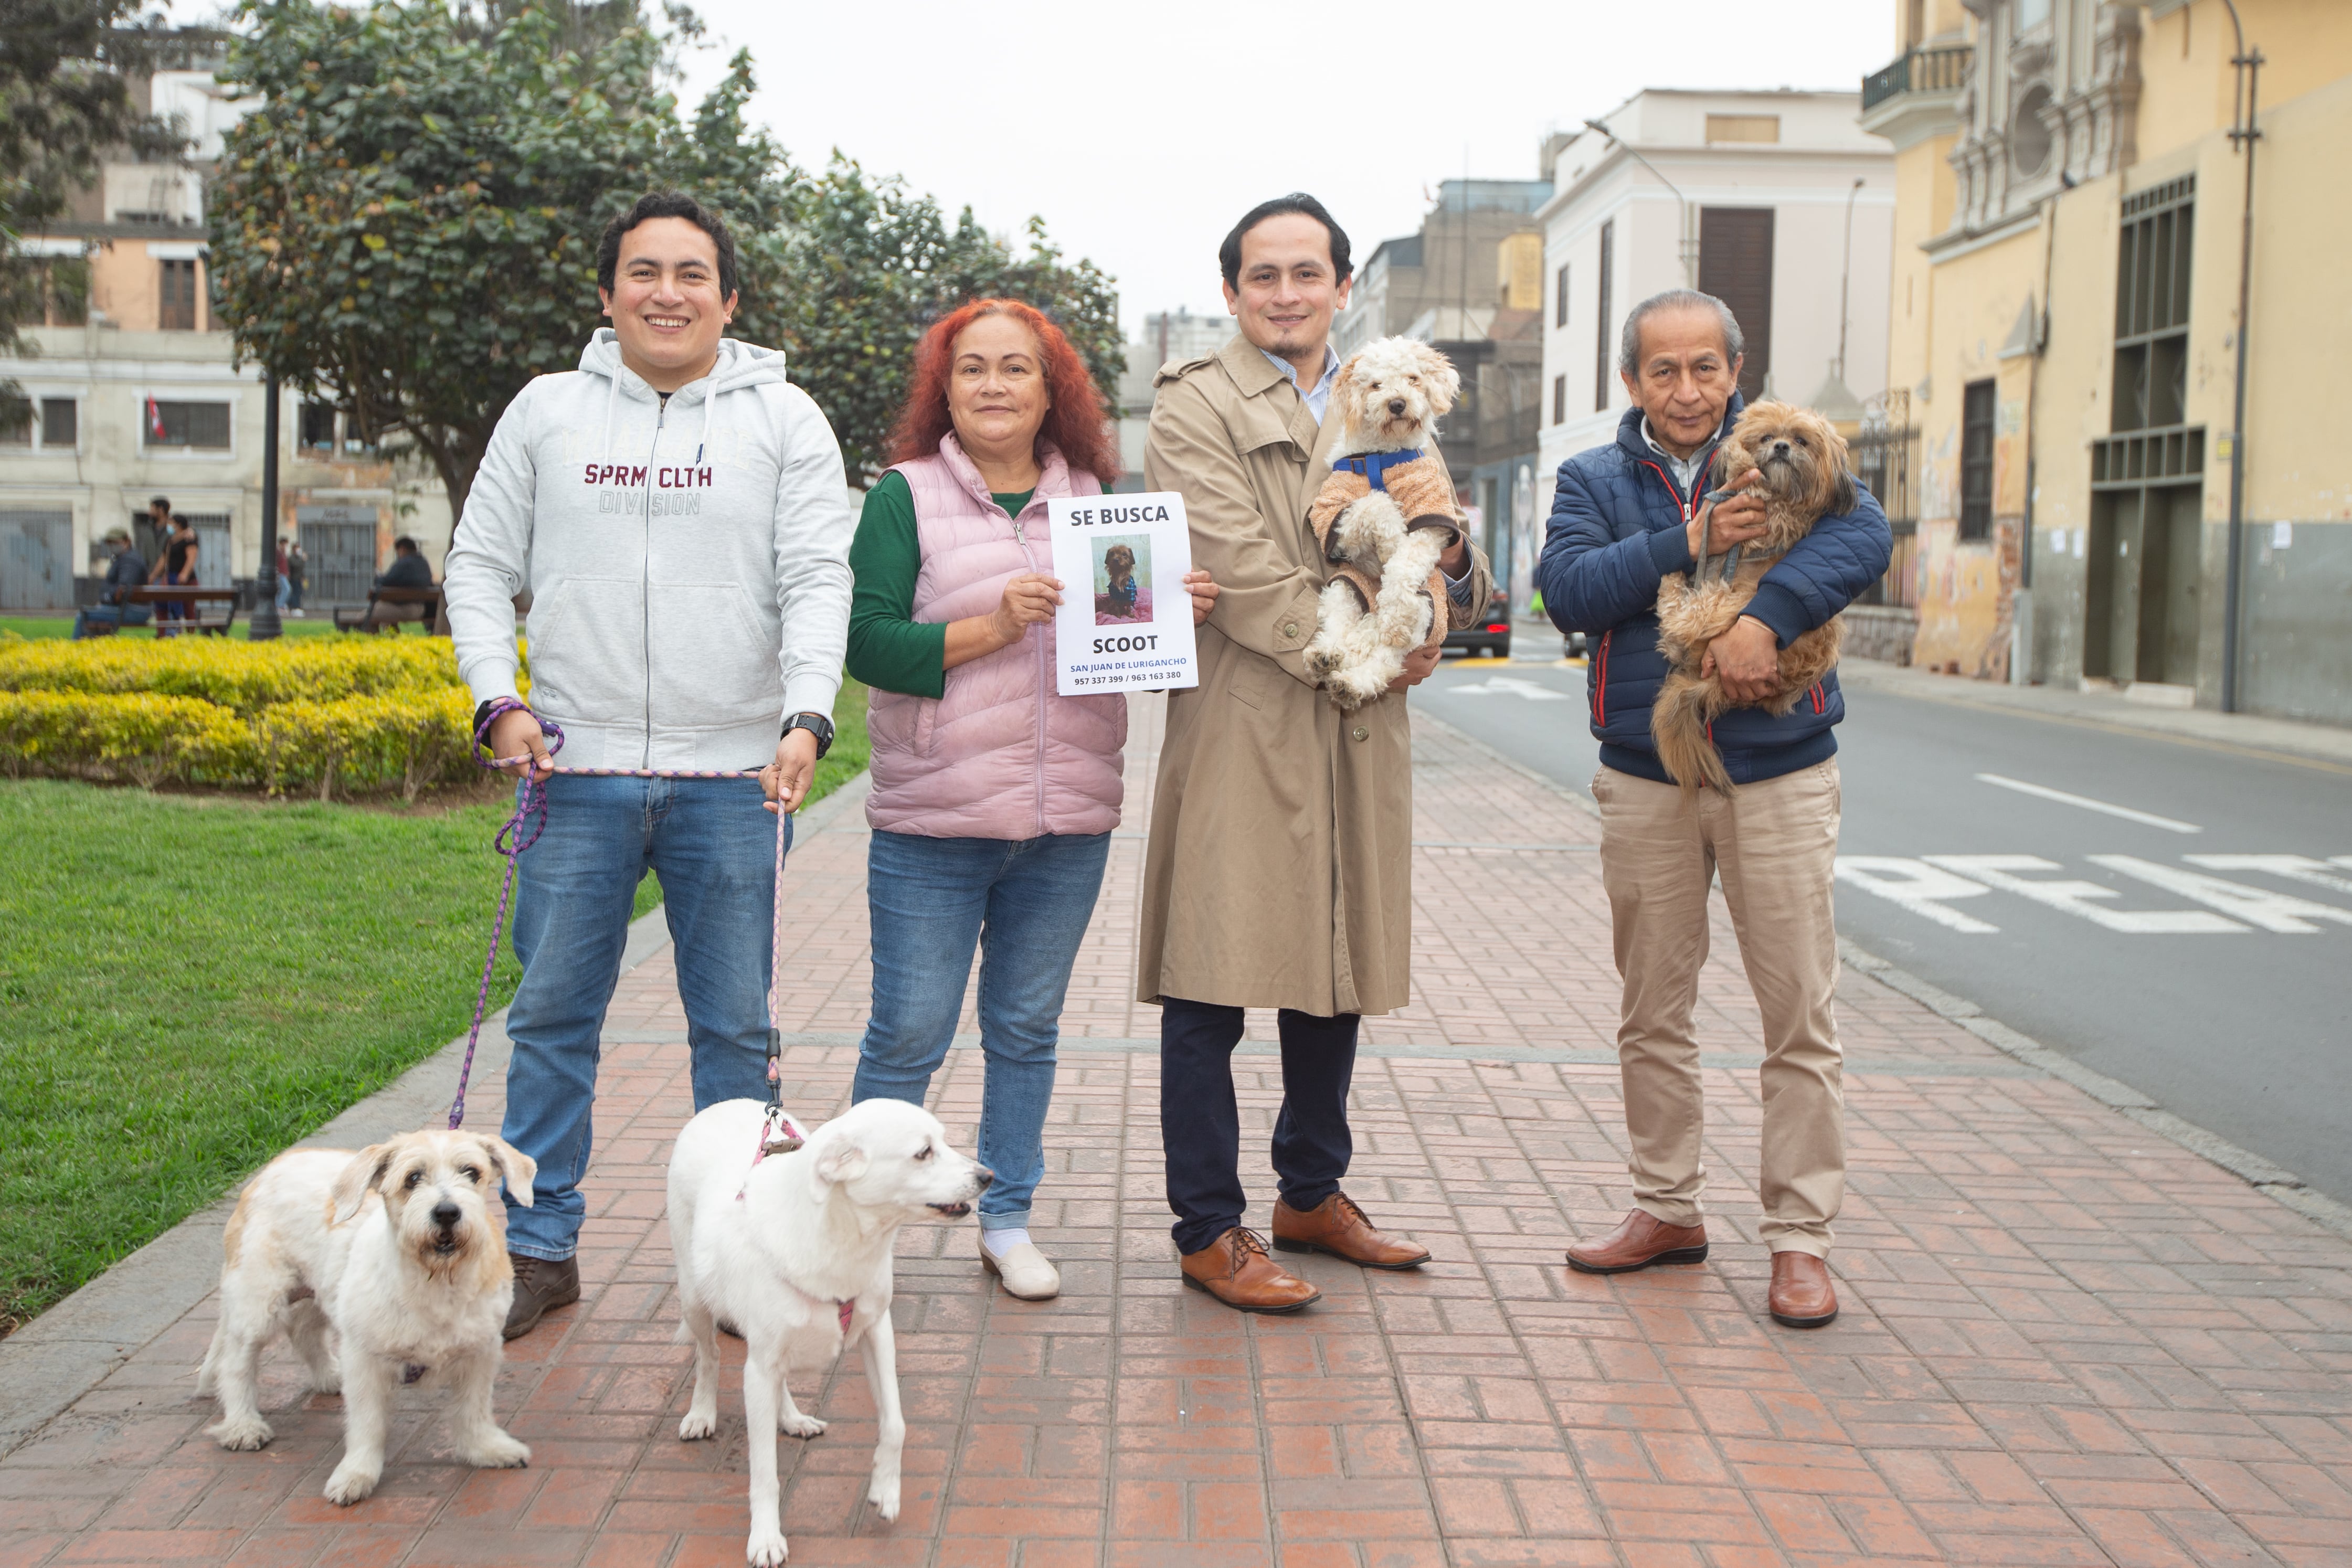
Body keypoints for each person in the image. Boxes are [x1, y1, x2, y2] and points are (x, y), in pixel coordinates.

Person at [443, 190, 854, 1339]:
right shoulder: (546, 413)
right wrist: (498, 698)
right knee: (553, 1020)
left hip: (731, 778)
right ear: (608, 291)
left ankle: (745, 1252)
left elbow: (819, 578)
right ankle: (537, 1248)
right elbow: (477, 567)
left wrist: (808, 717)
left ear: (730, 298)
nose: (664, 292)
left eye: (689, 274)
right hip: (573, 776)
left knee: (734, 1031)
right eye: (642, 271)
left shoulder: (785, 420)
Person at [1139, 194, 1491, 1313]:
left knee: (1333, 964)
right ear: (1233, 292)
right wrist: (1373, 639)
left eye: (1307, 274)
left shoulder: (1387, 393)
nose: (1285, 293)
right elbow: (1237, 562)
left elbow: (1449, 543)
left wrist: (1430, 616)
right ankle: (1208, 1226)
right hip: (1249, 712)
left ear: (1345, 287)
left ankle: (1312, 1191)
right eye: (1262, 276)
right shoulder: (1195, 405)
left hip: (1358, 721)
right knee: (1212, 972)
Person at [837, 299, 1222, 1302]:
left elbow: (1125, 647)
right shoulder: (903, 495)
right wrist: (988, 624)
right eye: (973, 369)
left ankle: (1005, 1219)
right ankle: (846, 1229)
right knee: (909, 1031)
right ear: (944, 388)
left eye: (1017, 368)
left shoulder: (1099, 499)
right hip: (934, 820)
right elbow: (864, 642)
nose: (995, 385)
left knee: (1024, 1027)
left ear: (1055, 390)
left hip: (1065, 825)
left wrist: (1173, 610)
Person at [1535, 289, 1891, 1330]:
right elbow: (1569, 591)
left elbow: (1862, 537)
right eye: (1663, 372)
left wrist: (1768, 620)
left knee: (1799, 1015)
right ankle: (1666, 1209)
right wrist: (1685, 540)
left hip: (1780, 773)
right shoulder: (1595, 477)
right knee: (1653, 1010)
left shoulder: (1791, 447)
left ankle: (1799, 1241)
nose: (1686, 391)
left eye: (1704, 369)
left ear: (1735, 372)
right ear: (1632, 383)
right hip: (1646, 777)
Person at [73, 528, 152, 637]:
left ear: (127, 542)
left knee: (83, 614)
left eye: (115, 542)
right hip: (130, 608)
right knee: (95, 614)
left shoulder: (130, 561)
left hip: (131, 610)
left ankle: (76, 648)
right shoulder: (126, 558)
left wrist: (106, 599)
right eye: (109, 543)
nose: (112, 546)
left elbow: (123, 589)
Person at [365, 535, 436, 628]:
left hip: (404, 608)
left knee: (365, 617)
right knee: (386, 622)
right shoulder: (424, 563)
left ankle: (373, 641)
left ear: (402, 549)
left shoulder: (404, 564)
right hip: (421, 608)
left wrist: (378, 578)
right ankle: (393, 640)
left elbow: (387, 581)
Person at [150, 512, 198, 635]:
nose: (169, 526)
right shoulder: (170, 540)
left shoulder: (189, 538)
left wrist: (185, 574)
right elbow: (164, 559)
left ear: (179, 525)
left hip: (185, 580)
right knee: (165, 604)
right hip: (171, 577)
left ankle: (190, 633)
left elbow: (192, 556)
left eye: (172, 523)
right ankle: (165, 632)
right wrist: (154, 575)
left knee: (188, 608)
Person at [284, 539, 307, 615]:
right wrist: (303, 560)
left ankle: (296, 607)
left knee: (299, 593)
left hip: (299, 578)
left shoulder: (299, 558)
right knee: (295, 593)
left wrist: (303, 577)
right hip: (293, 578)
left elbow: (301, 569)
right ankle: (294, 607)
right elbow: (296, 565)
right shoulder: (291, 558)